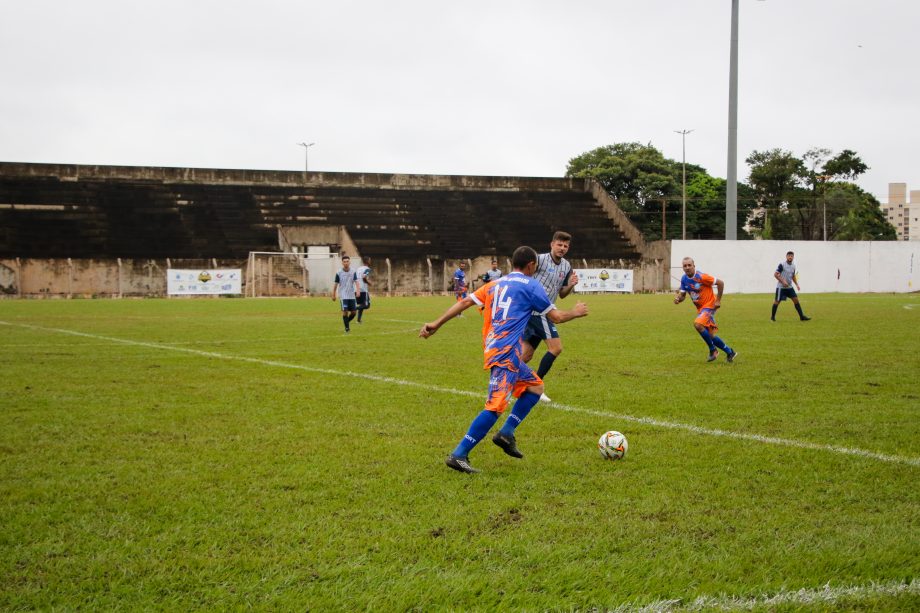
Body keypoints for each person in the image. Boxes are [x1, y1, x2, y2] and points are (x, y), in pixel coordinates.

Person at [419, 246, 589, 474]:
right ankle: (459, 454)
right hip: (506, 352)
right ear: (531, 265)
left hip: (494, 347)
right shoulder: (532, 285)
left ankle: (506, 433)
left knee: (536, 387)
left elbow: (465, 303)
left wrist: (436, 324)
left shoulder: (495, 284)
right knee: (495, 405)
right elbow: (556, 317)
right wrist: (576, 312)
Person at [520, 231, 580, 402]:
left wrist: (570, 285)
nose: (562, 248)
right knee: (556, 348)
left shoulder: (566, 266)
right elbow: (524, 277)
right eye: (559, 244)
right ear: (552, 244)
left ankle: (504, 385)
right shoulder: (539, 260)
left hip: (545, 310)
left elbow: (562, 294)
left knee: (526, 354)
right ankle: (535, 388)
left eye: (565, 246)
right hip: (537, 310)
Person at [674, 257, 737, 363]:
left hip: (709, 306)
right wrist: (678, 299)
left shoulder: (702, 277)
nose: (687, 267)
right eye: (685, 266)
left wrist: (718, 301)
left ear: (694, 265)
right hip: (701, 309)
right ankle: (730, 352)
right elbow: (683, 295)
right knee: (711, 336)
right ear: (683, 267)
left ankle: (713, 350)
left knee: (698, 324)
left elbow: (720, 283)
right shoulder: (684, 279)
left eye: (689, 265)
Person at [772, 251, 811, 321]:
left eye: (791, 256)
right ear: (786, 257)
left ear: (793, 257)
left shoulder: (793, 266)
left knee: (796, 300)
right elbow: (775, 274)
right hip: (781, 287)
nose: (790, 257)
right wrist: (783, 281)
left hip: (789, 287)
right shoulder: (782, 264)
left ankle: (802, 317)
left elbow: (793, 276)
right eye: (789, 256)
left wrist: (797, 284)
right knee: (777, 301)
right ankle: (772, 317)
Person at [332, 255, 362, 333]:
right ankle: (347, 329)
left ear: (349, 262)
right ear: (342, 263)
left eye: (347, 261)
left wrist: (358, 291)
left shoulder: (353, 271)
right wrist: (333, 294)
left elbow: (357, 282)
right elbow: (336, 284)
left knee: (354, 312)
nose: (346, 263)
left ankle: (346, 323)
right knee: (345, 311)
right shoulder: (339, 272)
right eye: (344, 262)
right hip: (343, 295)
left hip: (351, 295)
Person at [355, 257, 372, 323]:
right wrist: (368, 282)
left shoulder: (359, 268)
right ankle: (353, 308)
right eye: (370, 260)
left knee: (362, 304)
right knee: (367, 305)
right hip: (363, 289)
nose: (371, 261)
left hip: (357, 288)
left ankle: (358, 320)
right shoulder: (367, 269)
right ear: (367, 261)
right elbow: (364, 277)